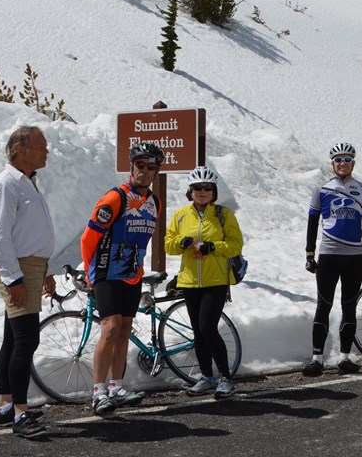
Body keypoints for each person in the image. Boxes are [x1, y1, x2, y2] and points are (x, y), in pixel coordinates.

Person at [81, 141, 165, 416]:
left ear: (156, 171)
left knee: (125, 329)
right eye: (139, 165)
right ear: (132, 167)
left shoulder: (155, 203)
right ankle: (98, 392)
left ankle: (116, 387)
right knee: (111, 327)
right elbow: (88, 238)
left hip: (131, 275)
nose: (144, 170)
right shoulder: (115, 198)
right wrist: (91, 275)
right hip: (106, 272)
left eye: (150, 166)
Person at [0, 125, 56, 439]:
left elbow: (31, 233)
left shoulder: (28, 182)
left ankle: (5, 404)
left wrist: (46, 269)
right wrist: (13, 277)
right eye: (41, 145)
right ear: (21, 150)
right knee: (27, 340)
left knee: (13, 339)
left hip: (31, 268)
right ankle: (20, 413)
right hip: (18, 271)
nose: (46, 151)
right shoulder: (5, 184)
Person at [164, 166, 243, 399]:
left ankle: (226, 378)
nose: (202, 192)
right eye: (197, 188)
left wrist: (213, 247)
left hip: (216, 280)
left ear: (213, 191)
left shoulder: (223, 214)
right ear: (190, 190)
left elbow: (236, 244)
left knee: (208, 327)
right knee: (198, 332)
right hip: (189, 281)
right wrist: (182, 241)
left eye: (207, 188)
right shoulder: (180, 215)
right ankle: (207, 378)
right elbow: (168, 243)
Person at [303, 142, 362, 376]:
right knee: (323, 306)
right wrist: (309, 254)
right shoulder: (322, 189)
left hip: (354, 257)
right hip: (328, 257)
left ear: (353, 162)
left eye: (347, 159)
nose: (342, 164)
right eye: (338, 160)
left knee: (349, 308)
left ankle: (344, 357)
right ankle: (317, 359)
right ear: (331, 163)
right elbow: (312, 223)